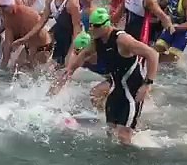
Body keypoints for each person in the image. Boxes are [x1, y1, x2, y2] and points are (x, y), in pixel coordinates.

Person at [59, 8, 159, 145]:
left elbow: (152, 54)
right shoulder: (97, 40)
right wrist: (69, 71)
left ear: (106, 25)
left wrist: (147, 84)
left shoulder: (123, 40)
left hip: (132, 93)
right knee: (110, 133)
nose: (92, 29)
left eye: (96, 26)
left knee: (123, 136)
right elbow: (83, 54)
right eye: (91, 25)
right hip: (115, 90)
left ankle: (131, 161)